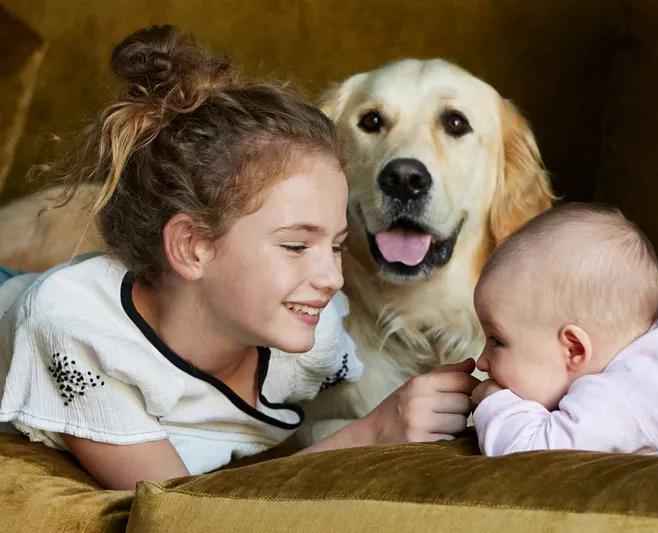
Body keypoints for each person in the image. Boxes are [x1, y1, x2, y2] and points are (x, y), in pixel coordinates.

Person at [0, 25, 478, 489]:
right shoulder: (79, 334)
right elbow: (174, 511)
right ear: (191, 247)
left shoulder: (311, 336)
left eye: (335, 245)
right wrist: (372, 432)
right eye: (296, 245)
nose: (334, 277)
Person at [470, 202, 658, 456]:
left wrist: (495, 400)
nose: (482, 361)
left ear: (574, 348)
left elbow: (533, 452)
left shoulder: (618, 390)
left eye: (497, 340)